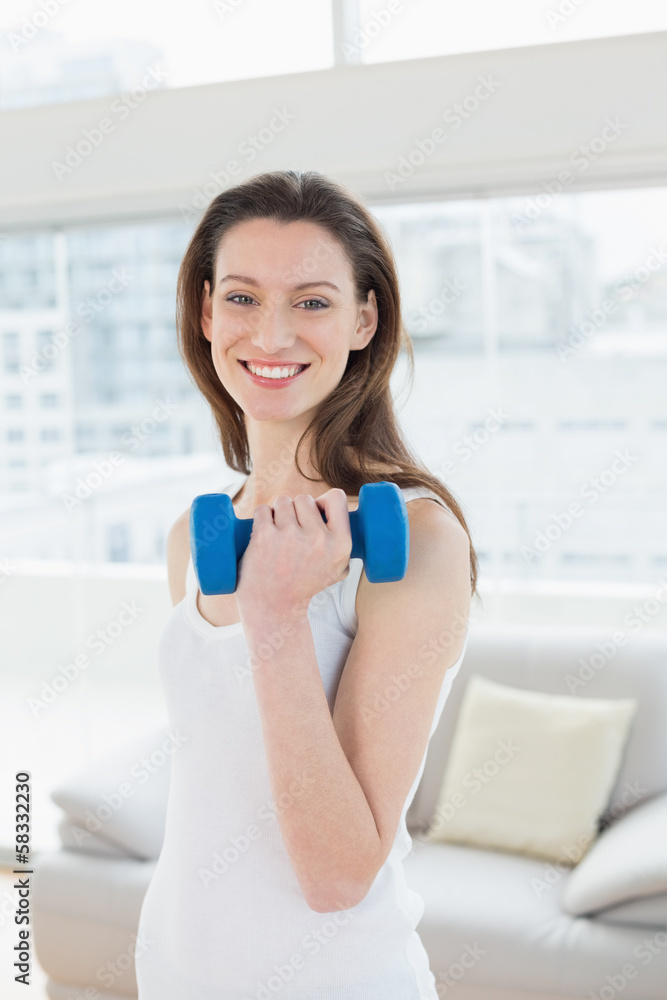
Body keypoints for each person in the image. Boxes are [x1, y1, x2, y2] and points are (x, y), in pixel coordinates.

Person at [135, 168, 480, 999]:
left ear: (366, 319)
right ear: (206, 310)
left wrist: (279, 617)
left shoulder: (419, 542)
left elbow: (337, 875)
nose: (273, 333)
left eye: (314, 302)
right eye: (244, 298)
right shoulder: (197, 537)